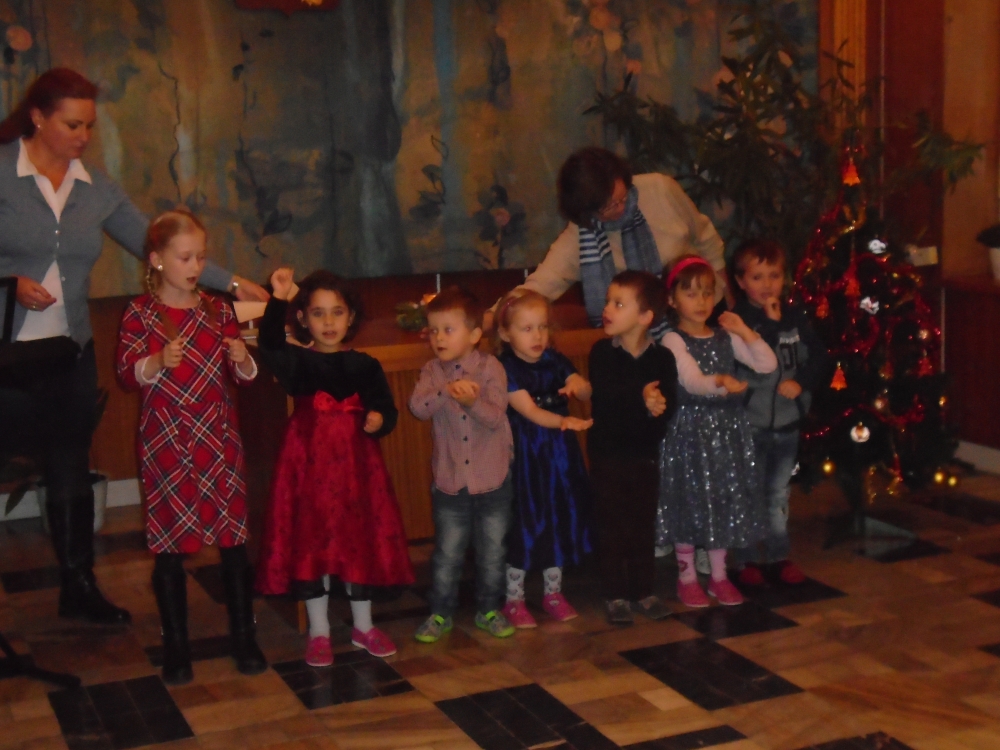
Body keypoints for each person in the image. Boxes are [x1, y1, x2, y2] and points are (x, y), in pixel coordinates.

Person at [0, 68, 267, 625]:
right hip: (5, 354)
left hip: (66, 349)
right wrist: (7, 283)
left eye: (89, 126)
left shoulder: (95, 187)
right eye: (72, 125)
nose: (83, 137)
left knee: (70, 465)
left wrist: (234, 283)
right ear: (38, 118)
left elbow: (161, 243)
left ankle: (79, 588)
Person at [116, 210, 266, 684]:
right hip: (167, 437)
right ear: (157, 260)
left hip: (217, 435)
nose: (196, 266)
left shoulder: (218, 310)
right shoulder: (140, 313)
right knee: (169, 545)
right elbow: (126, 374)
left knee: (233, 540)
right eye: (185, 257)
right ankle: (176, 647)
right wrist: (157, 360)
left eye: (201, 257)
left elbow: (244, 378)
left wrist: (242, 358)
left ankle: (244, 637)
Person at [255, 268, 414, 663]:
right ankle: (319, 630)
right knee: (313, 543)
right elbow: (269, 341)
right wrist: (278, 297)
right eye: (318, 313)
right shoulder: (297, 363)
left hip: (356, 472)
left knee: (358, 541)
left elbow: (386, 409)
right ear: (303, 319)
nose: (328, 322)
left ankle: (364, 626)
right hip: (308, 468)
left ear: (351, 317)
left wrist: (379, 419)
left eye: (337, 312)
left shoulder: (365, 366)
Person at [657, 255, 777, 608]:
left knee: (721, 500)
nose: (701, 302)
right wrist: (721, 382)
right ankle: (687, 577)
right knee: (689, 501)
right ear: (672, 299)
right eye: (691, 293)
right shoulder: (673, 340)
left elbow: (766, 364)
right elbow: (692, 381)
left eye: (707, 293)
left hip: (726, 434)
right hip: (690, 432)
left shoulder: (725, 336)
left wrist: (745, 331)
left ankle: (720, 576)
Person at [495, 146, 727, 329]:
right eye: (608, 206)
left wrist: (728, 298)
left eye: (622, 197)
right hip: (640, 334)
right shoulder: (581, 234)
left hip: (704, 311)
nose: (620, 208)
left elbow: (706, 238)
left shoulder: (660, 189)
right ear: (586, 210)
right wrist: (494, 315)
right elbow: (543, 283)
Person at [409, 287, 516, 642]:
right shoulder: (431, 371)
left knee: (492, 552)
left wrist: (472, 402)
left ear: (473, 335)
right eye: (433, 330)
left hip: (492, 479)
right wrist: (446, 391)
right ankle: (440, 613)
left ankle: (490, 609)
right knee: (447, 553)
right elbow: (417, 408)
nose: (438, 338)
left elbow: (496, 416)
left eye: (448, 330)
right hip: (450, 481)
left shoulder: (491, 368)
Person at [729, 240, 830, 585]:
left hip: (786, 423)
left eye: (774, 275)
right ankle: (745, 560)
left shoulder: (795, 317)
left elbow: (819, 356)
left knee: (777, 494)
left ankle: (777, 555)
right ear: (740, 281)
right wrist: (770, 324)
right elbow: (759, 359)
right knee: (748, 492)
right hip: (750, 423)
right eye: (757, 277)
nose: (767, 285)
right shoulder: (738, 321)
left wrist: (801, 383)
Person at [494, 289, 593, 628]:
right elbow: (531, 412)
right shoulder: (506, 368)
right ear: (505, 333)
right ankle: (514, 598)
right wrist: (564, 421)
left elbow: (584, 388)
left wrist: (579, 387)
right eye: (527, 328)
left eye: (542, 327)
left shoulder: (555, 360)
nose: (537, 336)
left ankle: (553, 593)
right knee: (526, 518)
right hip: (527, 454)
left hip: (559, 455)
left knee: (558, 515)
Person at [587, 270, 678, 626]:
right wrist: (641, 396)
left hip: (644, 456)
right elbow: (606, 395)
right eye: (608, 301)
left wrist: (657, 406)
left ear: (645, 317)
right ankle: (614, 593)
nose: (607, 309)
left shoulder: (662, 359)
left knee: (642, 525)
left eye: (618, 304)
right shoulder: (601, 353)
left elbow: (669, 404)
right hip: (608, 456)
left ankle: (644, 590)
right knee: (611, 526)